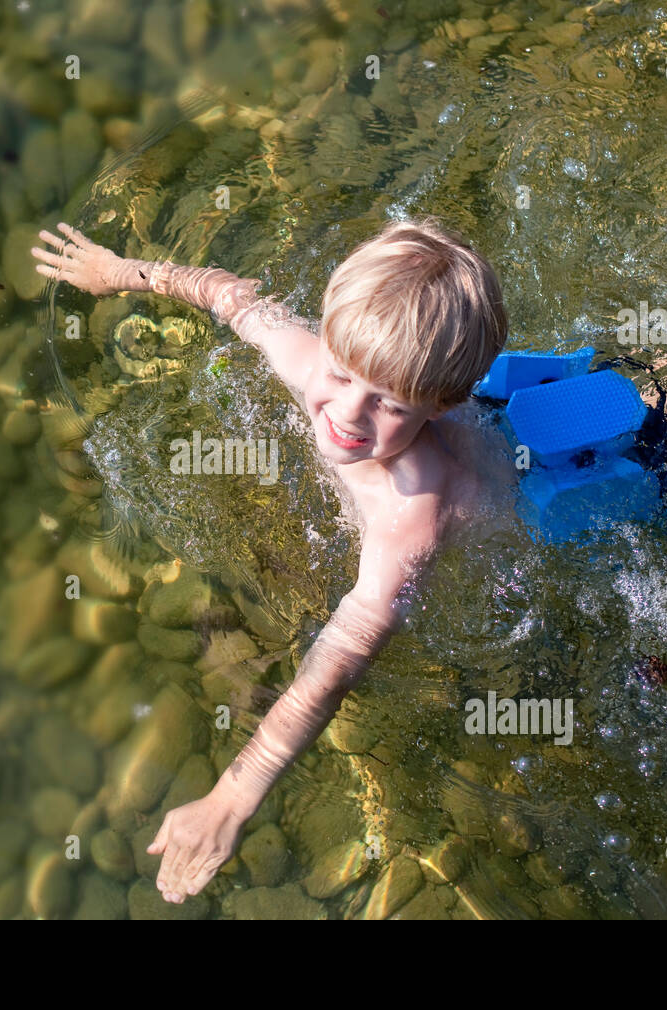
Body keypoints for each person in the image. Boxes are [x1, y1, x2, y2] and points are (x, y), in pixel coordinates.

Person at [33, 216, 515, 904]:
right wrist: (118, 273)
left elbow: (341, 658)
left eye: (387, 403)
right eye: (343, 374)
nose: (346, 413)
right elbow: (230, 297)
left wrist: (233, 797)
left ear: (440, 407)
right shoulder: (310, 361)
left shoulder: (412, 515)